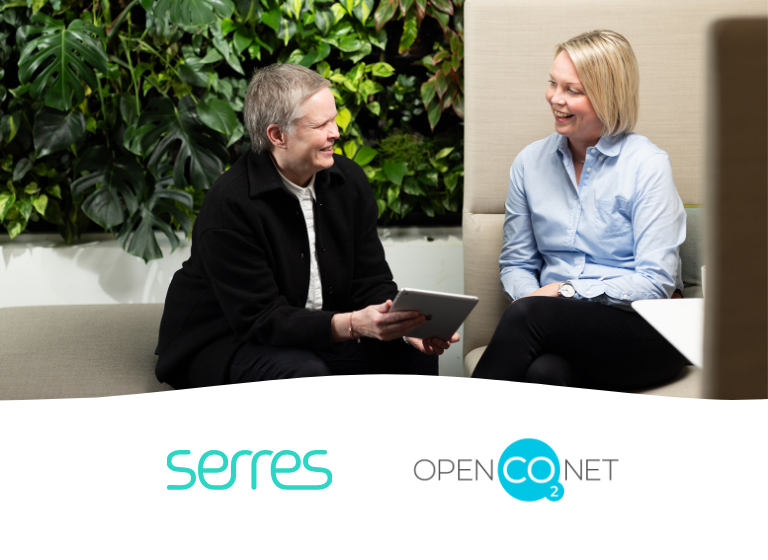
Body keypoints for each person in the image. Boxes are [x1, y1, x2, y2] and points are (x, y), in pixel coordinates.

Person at [155, 63, 458, 389]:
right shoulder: (231, 204)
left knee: (415, 355)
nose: (336, 133)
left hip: (312, 335)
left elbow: (371, 281)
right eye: (320, 124)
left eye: (334, 119)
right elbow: (261, 321)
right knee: (304, 372)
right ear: (277, 135)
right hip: (224, 342)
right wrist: (354, 324)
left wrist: (402, 327)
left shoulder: (349, 181)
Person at [472, 30, 690, 390]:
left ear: (608, 96)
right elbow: (517, 263)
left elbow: (656, 282)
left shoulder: (647, 165)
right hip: (555, 325)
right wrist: (535, 299)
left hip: (643, 328)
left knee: (528, 316)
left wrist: (563, 292)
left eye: (573, 90)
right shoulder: (529, 164)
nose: (555, 99)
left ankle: (449, 430)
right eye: (553, 83)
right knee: (546, 372)